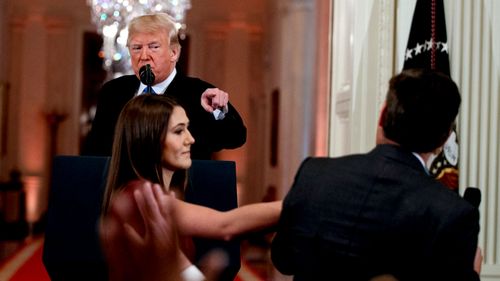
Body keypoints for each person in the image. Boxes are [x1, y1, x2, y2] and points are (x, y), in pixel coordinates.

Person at [271, 69, 481, 281]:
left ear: (382, 115)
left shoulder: (314, 174)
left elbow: (283, 259)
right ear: (444, 139)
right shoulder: (452, 213)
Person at [99, 94, 280, 280]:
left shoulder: (151, 193)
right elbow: (226, 225)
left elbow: (184, 271)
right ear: (149, 138)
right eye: (178, 131)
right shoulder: (141, 196)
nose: (191, 139)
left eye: (188, 129)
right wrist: (296, 201)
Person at [82, 13, 246, 159]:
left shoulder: (199, 93)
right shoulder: (113, 91)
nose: (144, 56)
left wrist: (219, 110)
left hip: (180, 191)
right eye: (137, 48)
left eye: (154, 47)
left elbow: (235, 137)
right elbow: (95, 150)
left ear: (174, 53)